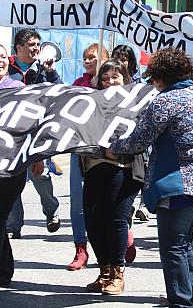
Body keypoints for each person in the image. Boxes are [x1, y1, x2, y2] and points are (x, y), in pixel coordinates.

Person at [107, 48, 193, 307]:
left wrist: (113, 148)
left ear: (160, 76)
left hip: (178, 183)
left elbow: (140, 139)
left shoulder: (165, 101)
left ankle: (181, 302)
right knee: (181, 246)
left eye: (154, 77)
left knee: (172, 249)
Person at [83, 60, 144, 295]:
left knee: (116, 219)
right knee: (94, 221)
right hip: (94, 167)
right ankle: (104, 271)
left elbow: (141, 135)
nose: (110, 82)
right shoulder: (90, 104)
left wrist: (118, 148)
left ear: (126, 78)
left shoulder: (136, 104)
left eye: (115, 77)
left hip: (124, 169)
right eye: (105, 77)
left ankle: (118, 273)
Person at [7, 29, 61, 239]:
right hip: (12, 135)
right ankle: (14, 226)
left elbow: (59, 94)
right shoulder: (7, 68)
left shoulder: (43, 69)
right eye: (31, 44)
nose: (36, 48)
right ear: (18, 48)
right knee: (11, 179)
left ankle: (52, 212)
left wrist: (51, 72)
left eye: (38, 44)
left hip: (37, 134)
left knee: (41, 176)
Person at [0, 43, 45, 285]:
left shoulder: (18, 89)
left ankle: (4, 272)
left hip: (12, 166)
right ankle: (4, 270)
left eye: (2, 56)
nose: (0, 60)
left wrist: (37, 157)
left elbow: (32, 125)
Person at [67, 43, 109, 271]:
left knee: (107, 202)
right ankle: (81, 249)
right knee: (77, 203)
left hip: (107, 152)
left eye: (93, 57)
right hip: (80, 150)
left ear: (105, 57)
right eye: (85, 58)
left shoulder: (115, 82)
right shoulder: (78, 84)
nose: (88, 62)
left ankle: (124, 238)